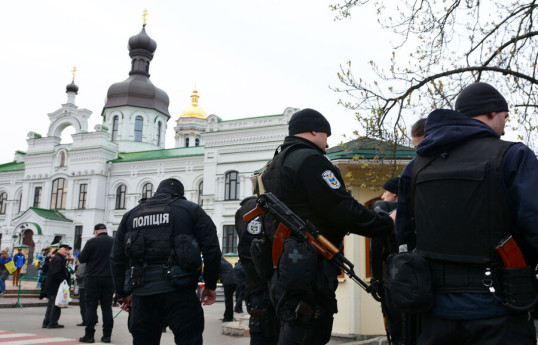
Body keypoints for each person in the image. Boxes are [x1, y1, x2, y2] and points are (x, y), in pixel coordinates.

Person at [396, 82, 538, 344]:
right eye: (504, 117)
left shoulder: (417, 166)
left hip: (434, 312)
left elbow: (404, 233)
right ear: (490, 113)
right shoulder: (513, 156)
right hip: (499, 309)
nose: (504, 127)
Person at [260, 108, 394, 345]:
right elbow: (340, 208)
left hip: (286, 263)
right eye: (326, 135)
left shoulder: (274, 164)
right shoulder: (311, 160)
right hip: (310, 266)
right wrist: (385, 224)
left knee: (293, 327)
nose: (327, 142)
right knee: (308, 329)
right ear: (314, 131)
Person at [110, 178, 221, 345]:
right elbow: (212, 250)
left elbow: (117, 258)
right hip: (181, 293)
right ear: (180, 194)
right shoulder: (192, 210)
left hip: (143, 294)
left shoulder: (131, 215)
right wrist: (210, 285)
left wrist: (123, 294)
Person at [369, 177, 403, 345]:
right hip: (414, 281)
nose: (382, 196)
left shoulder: (382, 212)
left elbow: (375, 250)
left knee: (395, 328)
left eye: (385, 191)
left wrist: (376, 278)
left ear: (396, 194)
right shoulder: (418, 211)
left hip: (390, 280)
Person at [78, 223, 115, 343]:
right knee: (107, 307)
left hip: (93, 278)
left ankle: (89, 336)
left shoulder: (91, 242)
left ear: (95, 232)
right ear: (105, 230)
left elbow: (82, 259)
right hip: (109, 278)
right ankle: (107, 336)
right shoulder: (114, 241)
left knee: (91, 307)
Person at [42, 244, 71, 329]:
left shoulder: (58, 258)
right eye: (65, 249)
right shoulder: (58, 259)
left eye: (68, 250)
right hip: (55, 285)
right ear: (60, 249)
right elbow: (56, 273)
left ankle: (46, 322)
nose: (67, 251)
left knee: (51, 304)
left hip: (52, 285)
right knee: (56, 304)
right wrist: (63, 279)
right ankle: (52, 322)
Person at [220, 257, 237, 322]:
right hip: (234, 281)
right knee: (229, 300)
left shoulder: (219, 262)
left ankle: (228, 317)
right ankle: (227, 315)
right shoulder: (227, 263)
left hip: (228, 282)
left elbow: (216, 273)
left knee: (228, 301)